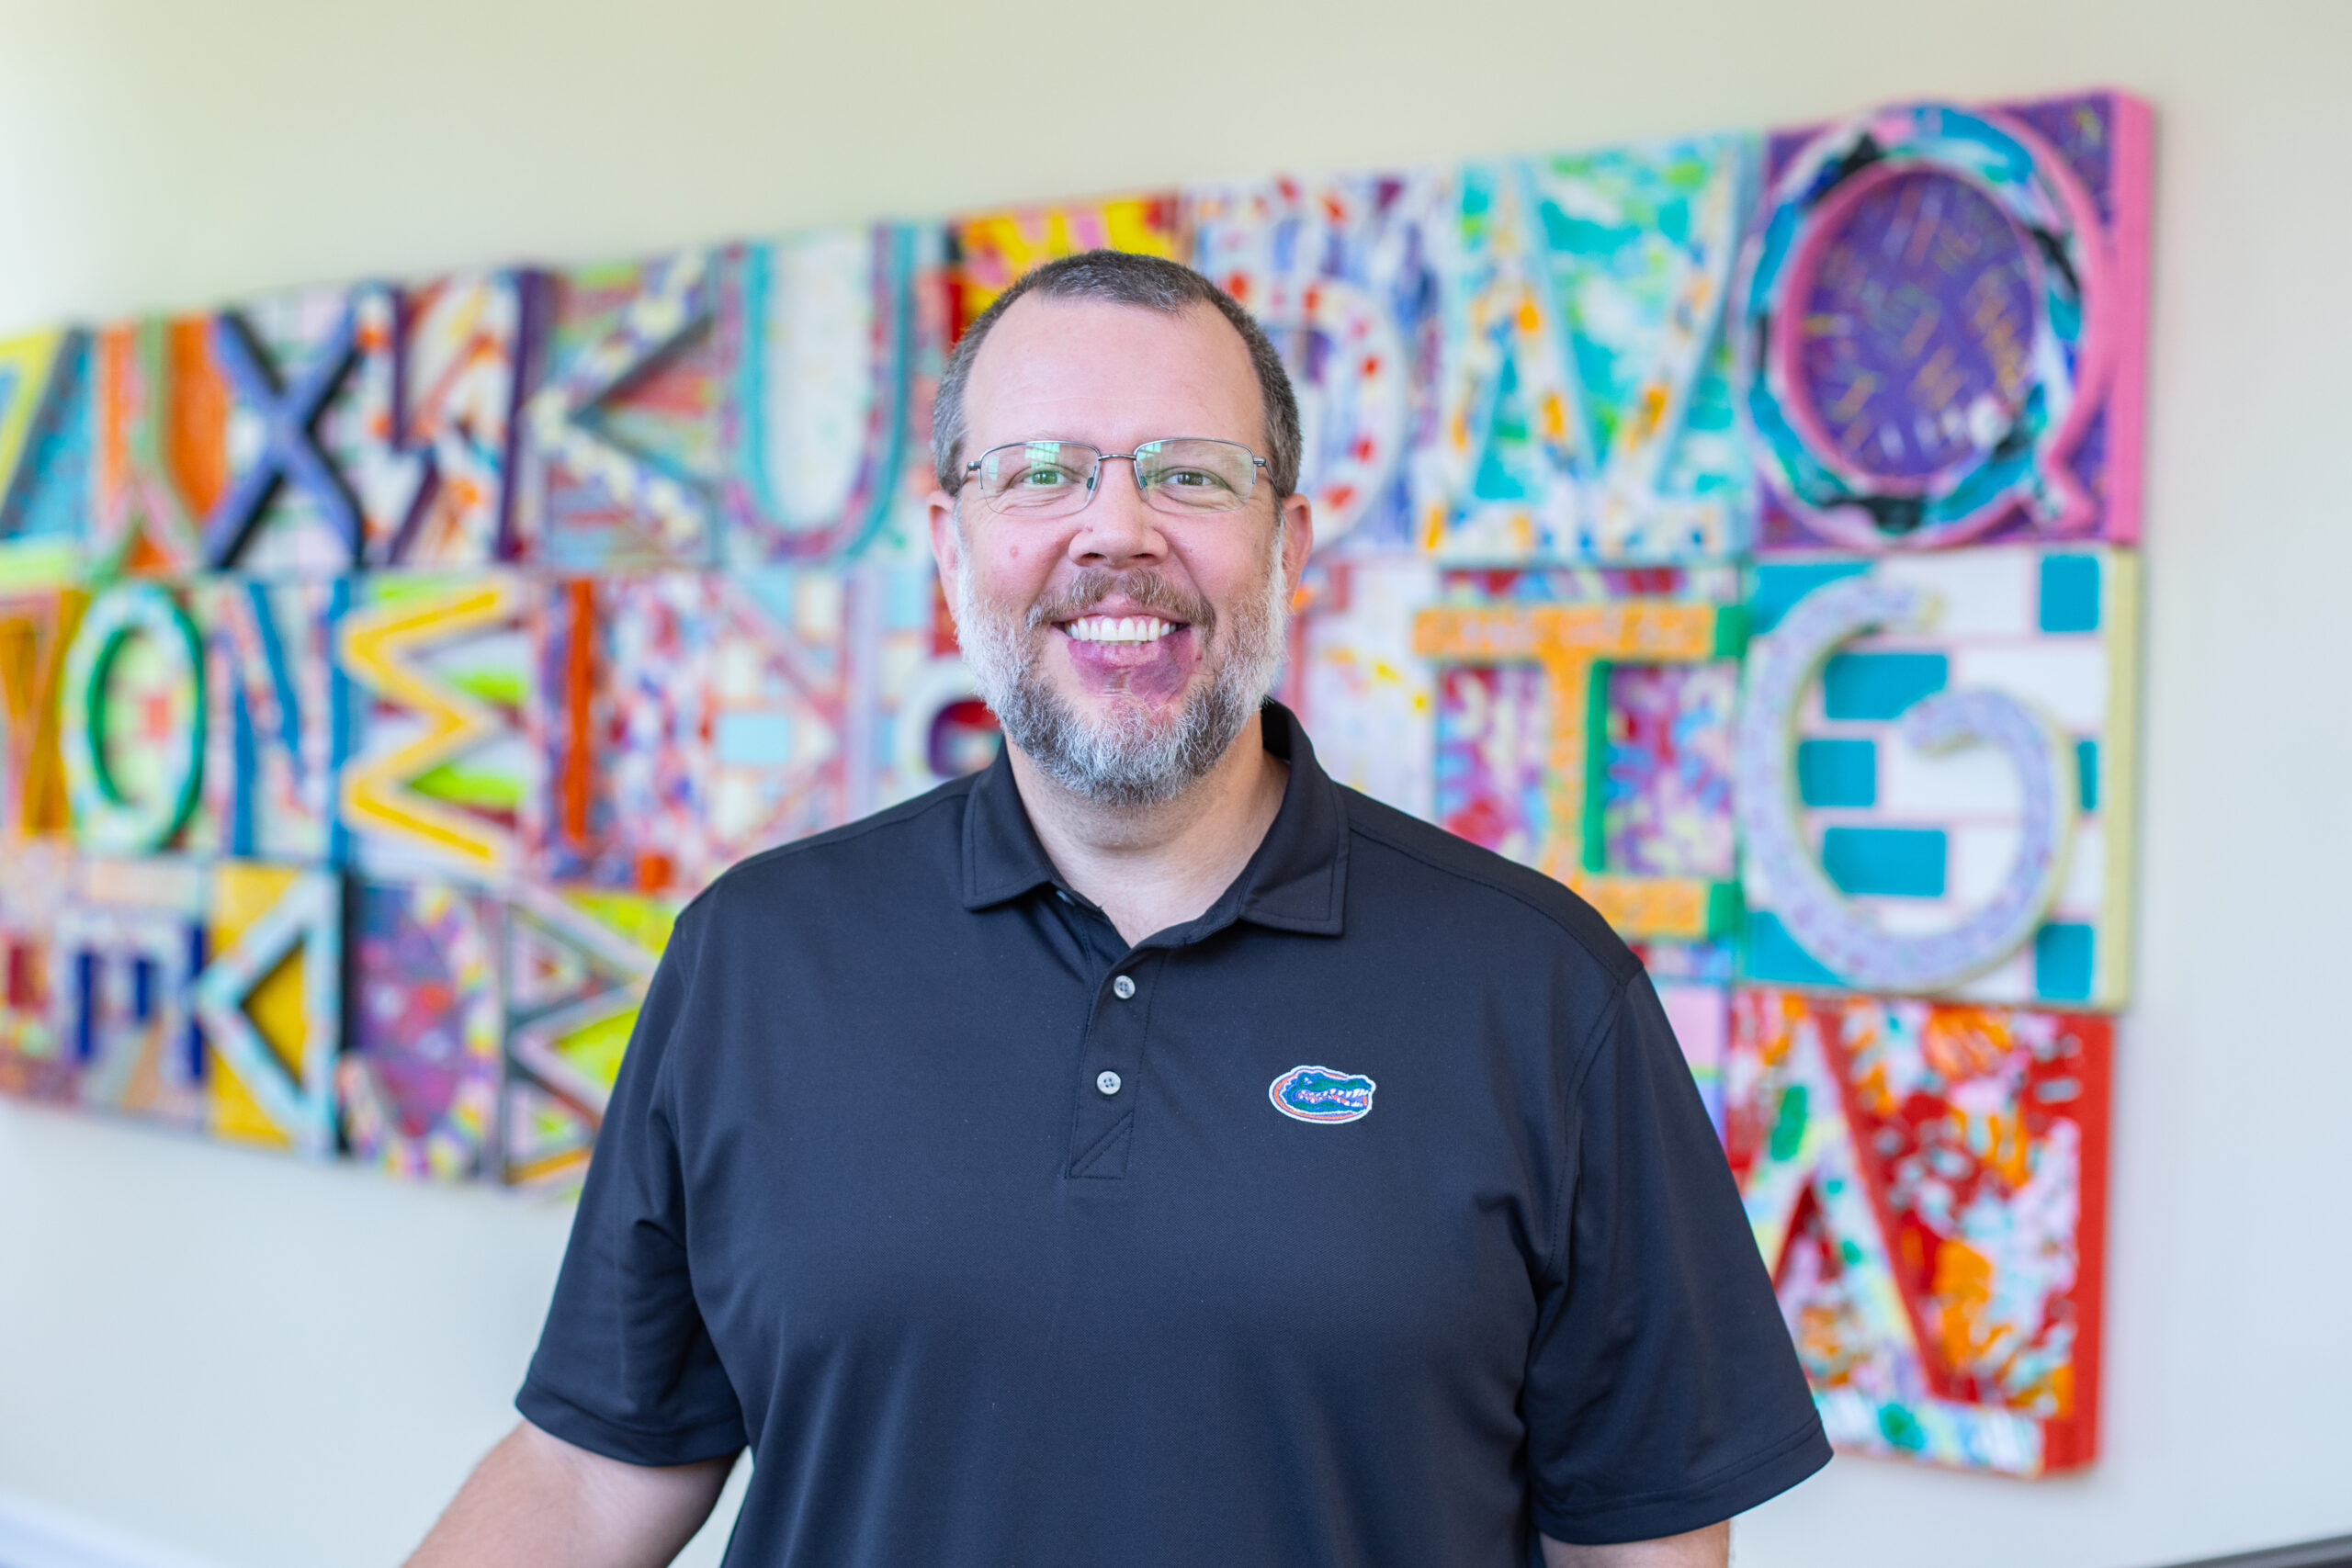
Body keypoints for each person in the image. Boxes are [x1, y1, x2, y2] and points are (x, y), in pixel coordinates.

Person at [406, 251, 1829, 1568]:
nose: (1117, 533)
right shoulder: (759, 956)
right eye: (1041, 473)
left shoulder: (1540, 991)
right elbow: (595, 1471)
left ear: (1290, 544)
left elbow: (1639, 1543)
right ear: (951, 545)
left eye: (1193, 477)